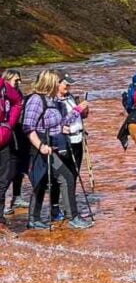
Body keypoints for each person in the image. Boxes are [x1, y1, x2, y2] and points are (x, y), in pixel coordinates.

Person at [22, 69, 92, 230]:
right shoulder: (36, 99)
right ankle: (43, 219)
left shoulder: (51, 100)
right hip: (40, 147)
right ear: (50, 82)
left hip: (53, 146)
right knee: (46, 180)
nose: (61, 84)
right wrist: (40, 146)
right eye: (57, 81)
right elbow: (28, 127)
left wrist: (71, 118)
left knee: (59, 179)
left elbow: (58, 122)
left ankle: (45, 218)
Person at [49, 71, 88, 222]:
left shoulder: (71, 97)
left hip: (77, 138)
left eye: (69, 84)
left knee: (74, 174)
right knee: (63, 177)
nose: (68, 87)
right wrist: (77, 110)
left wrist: (83, 111)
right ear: (56, 84)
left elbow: (80, 116)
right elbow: (63, 122)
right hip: (64, 141)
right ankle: (55, 207)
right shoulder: (53, 101)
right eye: (66, 84)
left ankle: (69, 207)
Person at [1, 70, 29, 214]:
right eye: (15, 80)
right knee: (8, 171)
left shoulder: (20, 94)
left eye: (19, 80)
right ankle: (4, 202)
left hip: (20, 134)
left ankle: (17, 196)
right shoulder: (4, 95)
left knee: (19, 168)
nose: (17, 82)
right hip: (7, 135)